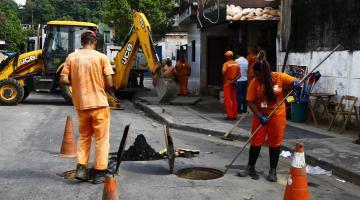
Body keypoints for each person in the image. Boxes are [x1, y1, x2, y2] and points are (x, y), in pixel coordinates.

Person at [60, 30, 114, 184]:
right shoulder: (102, 58)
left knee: (84, 137)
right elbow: (110, 83)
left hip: (81, 105)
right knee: (102, 139)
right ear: (94, 41)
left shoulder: (72, 57)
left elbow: (63, 79)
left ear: (81, 42)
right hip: (99, 105)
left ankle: (81, 169)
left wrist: (75, 83)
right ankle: (99, 172)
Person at [238, 51, 300, 182]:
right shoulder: (254, 83)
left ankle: (273, 170)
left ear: (263, 73)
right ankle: (250, 166)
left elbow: (296, 81)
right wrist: (259, 115)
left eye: (257, 74)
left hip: (277, 115)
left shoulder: (278, 77)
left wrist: (295, 84)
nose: (255, 76)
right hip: (260, 115)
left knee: (275, 143)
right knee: (256, 141)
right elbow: (250, 101)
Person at [222, 50, 241, 120]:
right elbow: (240, 75)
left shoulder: (226, 64)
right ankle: (235, 115)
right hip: (234, 83)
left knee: (228, 99)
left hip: (227, 82)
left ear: (226, 56)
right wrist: (235, 79)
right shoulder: (236, 64)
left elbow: (223, 72)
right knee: (234, 99)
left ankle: (230, 115)